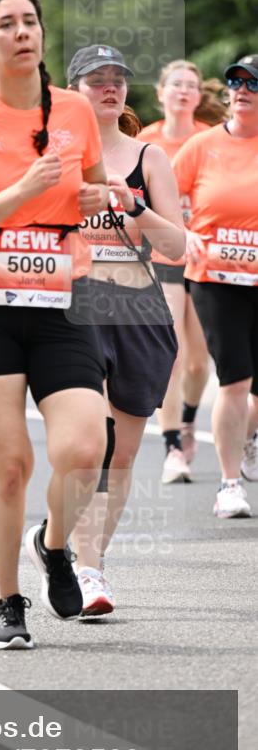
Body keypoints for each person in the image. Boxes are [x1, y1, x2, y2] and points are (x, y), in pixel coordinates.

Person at [0, 0, 109, 649]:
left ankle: (54, 543)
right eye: (6, 24)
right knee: (6, 466)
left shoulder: (75, 110)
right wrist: (20, 190)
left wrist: (97, 196)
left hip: (64, 292)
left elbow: (92, 190)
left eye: (30, 21)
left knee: (83, 450)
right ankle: (7, 601)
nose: (22, 32)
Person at [66, 45, 184, 616]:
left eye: (117, 81)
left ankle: (82, 555)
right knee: (91, 444)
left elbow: (177, 246)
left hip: (138, 310)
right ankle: (88, 572)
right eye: (96, 80)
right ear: (73, 91)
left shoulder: (149, 158)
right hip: (76, 309)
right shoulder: (55, 155)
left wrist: (133, 206)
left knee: (123, 455)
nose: (109, 88)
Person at [174, 53, 258, 519]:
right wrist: (183, 234)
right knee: (234, 378)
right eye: (235, 83)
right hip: (215, 278)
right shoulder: (201, 147)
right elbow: (163, 197)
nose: (242, 91)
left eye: (253, 85)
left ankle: (248, 438)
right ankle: (229, 485)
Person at [138, 61, 227, 483]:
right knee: (171, 355)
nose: (183, 91)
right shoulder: (145, 141)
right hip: (162, 259)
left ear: (197, 96)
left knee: (198, 363)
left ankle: (189, 419)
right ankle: (172, 444)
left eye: (191, 85)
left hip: (207, 260)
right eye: (176, 84)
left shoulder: (211, 139)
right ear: (161, 92)